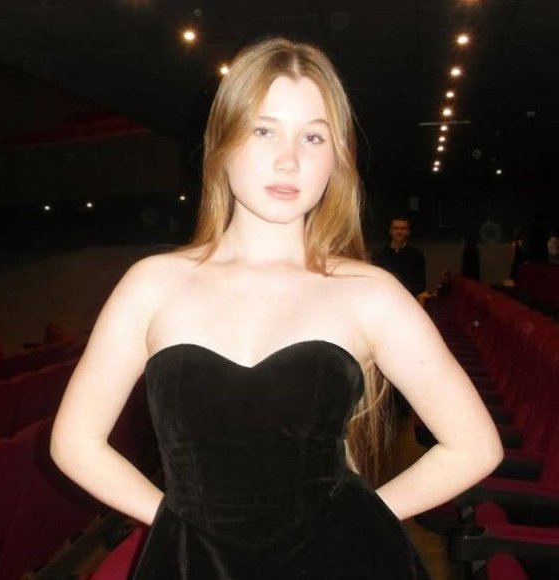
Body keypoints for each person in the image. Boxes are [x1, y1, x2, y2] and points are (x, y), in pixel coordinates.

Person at [50, 37, 502, 579]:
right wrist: (178, 523)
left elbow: (475, 446)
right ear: (222, 141)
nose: (289, 160)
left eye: (313, 136)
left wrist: (360, 520)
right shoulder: (151, 285)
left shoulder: (370, 293)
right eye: (264, 130)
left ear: (336, 157)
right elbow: (75, 442)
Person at [372, 217, 426, 299]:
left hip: (408, 299)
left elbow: (420, 284)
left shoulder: (417, 255)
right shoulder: (379, 254)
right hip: (384, 297)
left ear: (408, 232)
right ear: (390, 231)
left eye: (403, 229)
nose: (399, 231)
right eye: (396, 228)